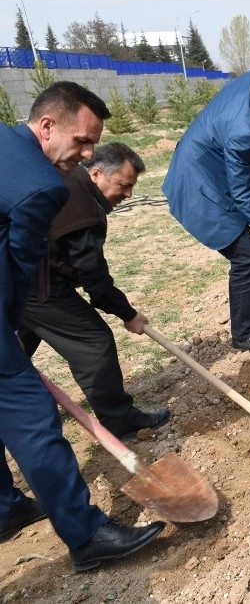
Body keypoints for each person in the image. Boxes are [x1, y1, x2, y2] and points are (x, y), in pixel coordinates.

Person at [0, 81, 164, 570]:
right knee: (33, 417)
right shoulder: (44, 186)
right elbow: (21, 268)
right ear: (47, 125)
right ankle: (88, 536)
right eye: (83, 141)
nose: (89, 152)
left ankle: (5, 509)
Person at [18, 142, 170, 440]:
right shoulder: (83, 209)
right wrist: (128, 314)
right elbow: (95, 280)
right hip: (37, 282)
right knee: (94, 342)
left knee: (18, 340)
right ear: (97, 173)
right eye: (123, 185)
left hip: (19, 272)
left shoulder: (71, 177)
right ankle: (121, 421)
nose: (128, 195)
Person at [163, 66, 250, 352]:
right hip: (198, 187)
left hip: (211, 168)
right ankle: (244, 334)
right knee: (246, 259)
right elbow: (242, 195)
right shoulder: (243, 132)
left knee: (248, 253)